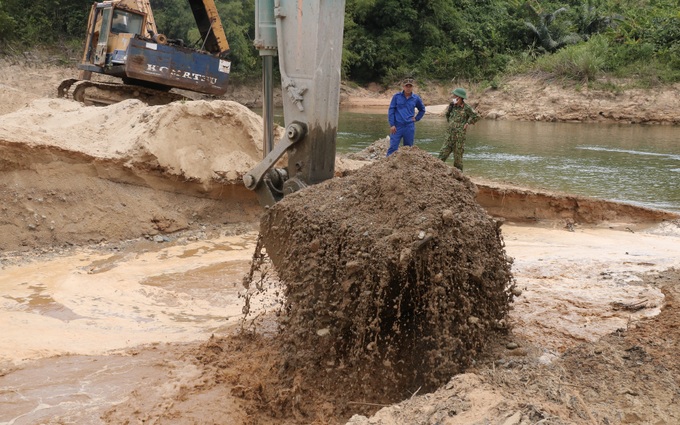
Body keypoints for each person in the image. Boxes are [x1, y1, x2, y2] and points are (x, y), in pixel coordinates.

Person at [438, 87, 480, 171]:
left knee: (458, 159)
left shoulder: (466, 108)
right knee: (442, 155)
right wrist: (451, 124)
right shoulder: (452, 106)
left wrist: (468, 122)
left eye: (455, 96)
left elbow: (476, 116)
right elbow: (447, 116)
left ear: (459, 97)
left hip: (459, 138)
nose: (453, 97)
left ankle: (459, 178)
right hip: (449, 136)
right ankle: (436, 173)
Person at [387, 78, 426, 156]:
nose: (408, 88)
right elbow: (391, 110)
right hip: (397, 126)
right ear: (403, 87)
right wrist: (392, 124)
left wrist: (416, 118)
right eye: (406, 86)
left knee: (408, 148)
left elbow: (422, 110)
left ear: (412, 87)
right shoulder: (396, 97)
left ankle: (406, 167)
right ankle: (388, 164)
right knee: (393, 146)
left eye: (410, 86)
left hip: (409, 126)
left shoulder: (416, 98)